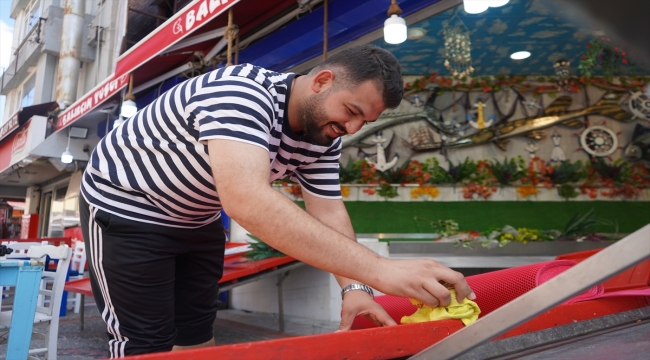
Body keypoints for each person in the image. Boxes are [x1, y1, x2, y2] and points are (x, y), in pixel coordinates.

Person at [79, 44, 475, 357]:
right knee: (146, 345)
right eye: (351, 111)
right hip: (126, 209)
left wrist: (356, 287)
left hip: (197, 219)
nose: (351, 129)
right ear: (321, 81)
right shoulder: (241, 93)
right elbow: (247, 200)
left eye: (363, 123)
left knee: (196, 334)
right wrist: (381, 271)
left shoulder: (325, 134)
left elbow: (327, 210)